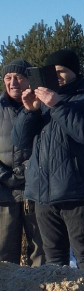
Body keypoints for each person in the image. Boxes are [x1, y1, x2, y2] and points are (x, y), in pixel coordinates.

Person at [13, 48, 84, 272]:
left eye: (61, 71)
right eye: (52, 72)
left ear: (74, 72)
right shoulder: (44, 100)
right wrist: (30, 111)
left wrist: (58, 105)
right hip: (44, 193)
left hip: (78, 191)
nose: (56, 76)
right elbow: (19, 140)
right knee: (53, 255)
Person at [0, 59, 43, 266]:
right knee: (5, 251)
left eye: (19, 77)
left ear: (29, 80)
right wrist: (6, 176)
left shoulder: (42, 107)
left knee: (40, 249)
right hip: (4, 191)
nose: (13, 82)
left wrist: (29, 171)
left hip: (36, 188)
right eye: (8, 78)